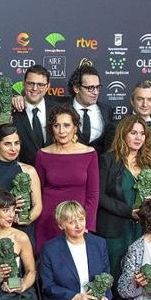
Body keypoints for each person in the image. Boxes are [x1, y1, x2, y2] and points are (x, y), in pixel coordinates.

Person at [98, 116, 151, 275]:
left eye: (142, 133)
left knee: (140, 276)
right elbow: (99, 195)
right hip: (115, 232)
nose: (138, 138)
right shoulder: (108, 160)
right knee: (113, 276)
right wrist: (128, 212)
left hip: (143, 229)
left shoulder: (150, 161)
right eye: (133, 133)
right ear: (123, 134)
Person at [36, 106, 99, 248]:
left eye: (66, 125)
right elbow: (38, 192)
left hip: (77, 221)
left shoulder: (89, 153)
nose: (61, 131)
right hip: (49, 221)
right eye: (56, 126)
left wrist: (86, 224)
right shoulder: (42, 154)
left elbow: (93, 194)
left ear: (75, 128)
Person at [0, 123, 43, 241]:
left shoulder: (30, 171)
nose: (13, 149)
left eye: (16, 143)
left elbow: (38, 205)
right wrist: (7, 204)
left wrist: (26, 219)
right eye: (7, 144)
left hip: (22, 232)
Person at [65, 64, 113, 153]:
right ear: (76, 88)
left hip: (98, 160)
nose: (96, 92)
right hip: (70, 158)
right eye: (90, 88)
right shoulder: (62, 109)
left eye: (98, 87)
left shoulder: (107, 110)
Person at [10, 65, 52, 164]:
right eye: (30, 83)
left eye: (40, 84)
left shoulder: (58, 109)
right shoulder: (12, 111)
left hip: (55, 170)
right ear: (23, 84)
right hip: (23, 170)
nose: (34, 88)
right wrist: (9, 102)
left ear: (47, 87)